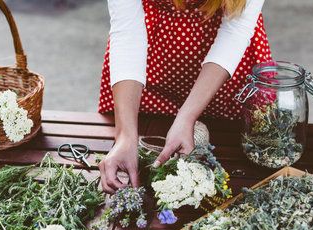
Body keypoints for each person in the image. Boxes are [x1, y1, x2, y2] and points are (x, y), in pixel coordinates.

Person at [98, 0, 272, 193]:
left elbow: (235, 31)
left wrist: (186, 117)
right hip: (154, 63)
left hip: (223, 74)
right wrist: (125, 135)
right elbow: (127, 33)